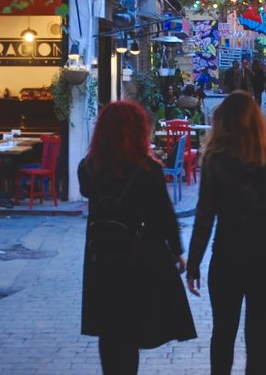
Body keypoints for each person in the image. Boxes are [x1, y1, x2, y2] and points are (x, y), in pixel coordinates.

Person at [79, 100, 196, 373]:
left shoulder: (88, 167)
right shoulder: (147, 169)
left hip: (100, 256)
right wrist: (177, 251)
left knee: (109, 328)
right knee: (129, 328)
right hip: (136, 257)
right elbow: (165, 215)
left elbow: (86, 191)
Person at [187, 92, 266, 375]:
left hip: (228, 260)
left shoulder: (215, 161)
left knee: (223, 335)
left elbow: (204, 216)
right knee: (259, 341)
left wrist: (194, 263)